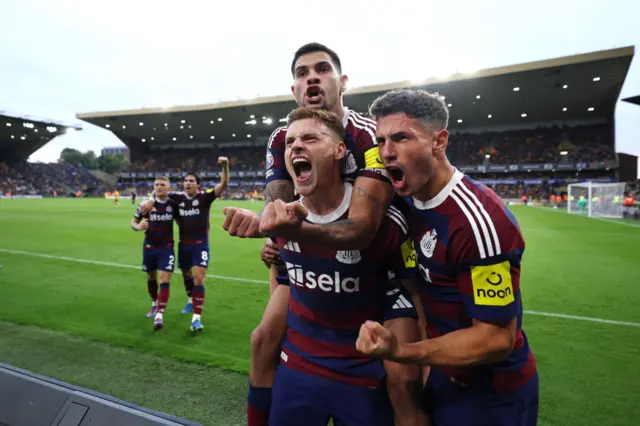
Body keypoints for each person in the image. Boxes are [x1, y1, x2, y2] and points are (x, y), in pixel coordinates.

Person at [222, 43, 426, 426]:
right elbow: (281, 209)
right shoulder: (282, 138)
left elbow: (363, 227)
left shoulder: (367, 136)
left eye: (322, 69)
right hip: (315, 253)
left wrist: (288, 230)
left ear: (342, 82)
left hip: (384, 259)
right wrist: (271, 233)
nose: (311, 77)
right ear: (294, 90)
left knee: (405, 374)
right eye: (301, 73)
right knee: (263, 339)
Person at [355, 89, 539, 426]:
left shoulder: (479, 222)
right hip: (443, 373)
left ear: (439, 141)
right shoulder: (409, 200)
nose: (386, 152)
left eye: (401, 138)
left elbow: (497, 338)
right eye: (381, 140)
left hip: (491, 395)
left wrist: (403, 353)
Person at [264, 107, 424, 426]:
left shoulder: (385, 223)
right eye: (290, 141)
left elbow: (413, 293)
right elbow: (283, 276)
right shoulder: (281, 218)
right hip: (300, 363)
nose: (295, 145)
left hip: (361, 367)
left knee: (405, 382)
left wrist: (421, 361)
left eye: (310, 138)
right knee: (260, 342)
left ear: (340, 150)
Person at [140, 156, 230, 331]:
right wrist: (151, 198)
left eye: (191, 181)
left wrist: (225, 166)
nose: (187, 183)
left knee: (198, 278)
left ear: (198, 185)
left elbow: (223, 184)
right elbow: (160, 191)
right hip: (183, 245)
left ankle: (196, 318)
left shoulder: (205, 197)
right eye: (185, 181)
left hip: (200, 244)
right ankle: (190, 299)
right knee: (187, 274)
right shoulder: (176, 198)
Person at [130, 177, 176, 331]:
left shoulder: (173, 204)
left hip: (167, 248)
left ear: (169, 188)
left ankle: (159, 315)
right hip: (149, 247)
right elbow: (133, 222)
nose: (159, 187)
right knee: (151, 277)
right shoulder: (146, 205)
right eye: (156, 185)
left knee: (164, 279)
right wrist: (137, 226)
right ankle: (154, 303)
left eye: (162, 185)